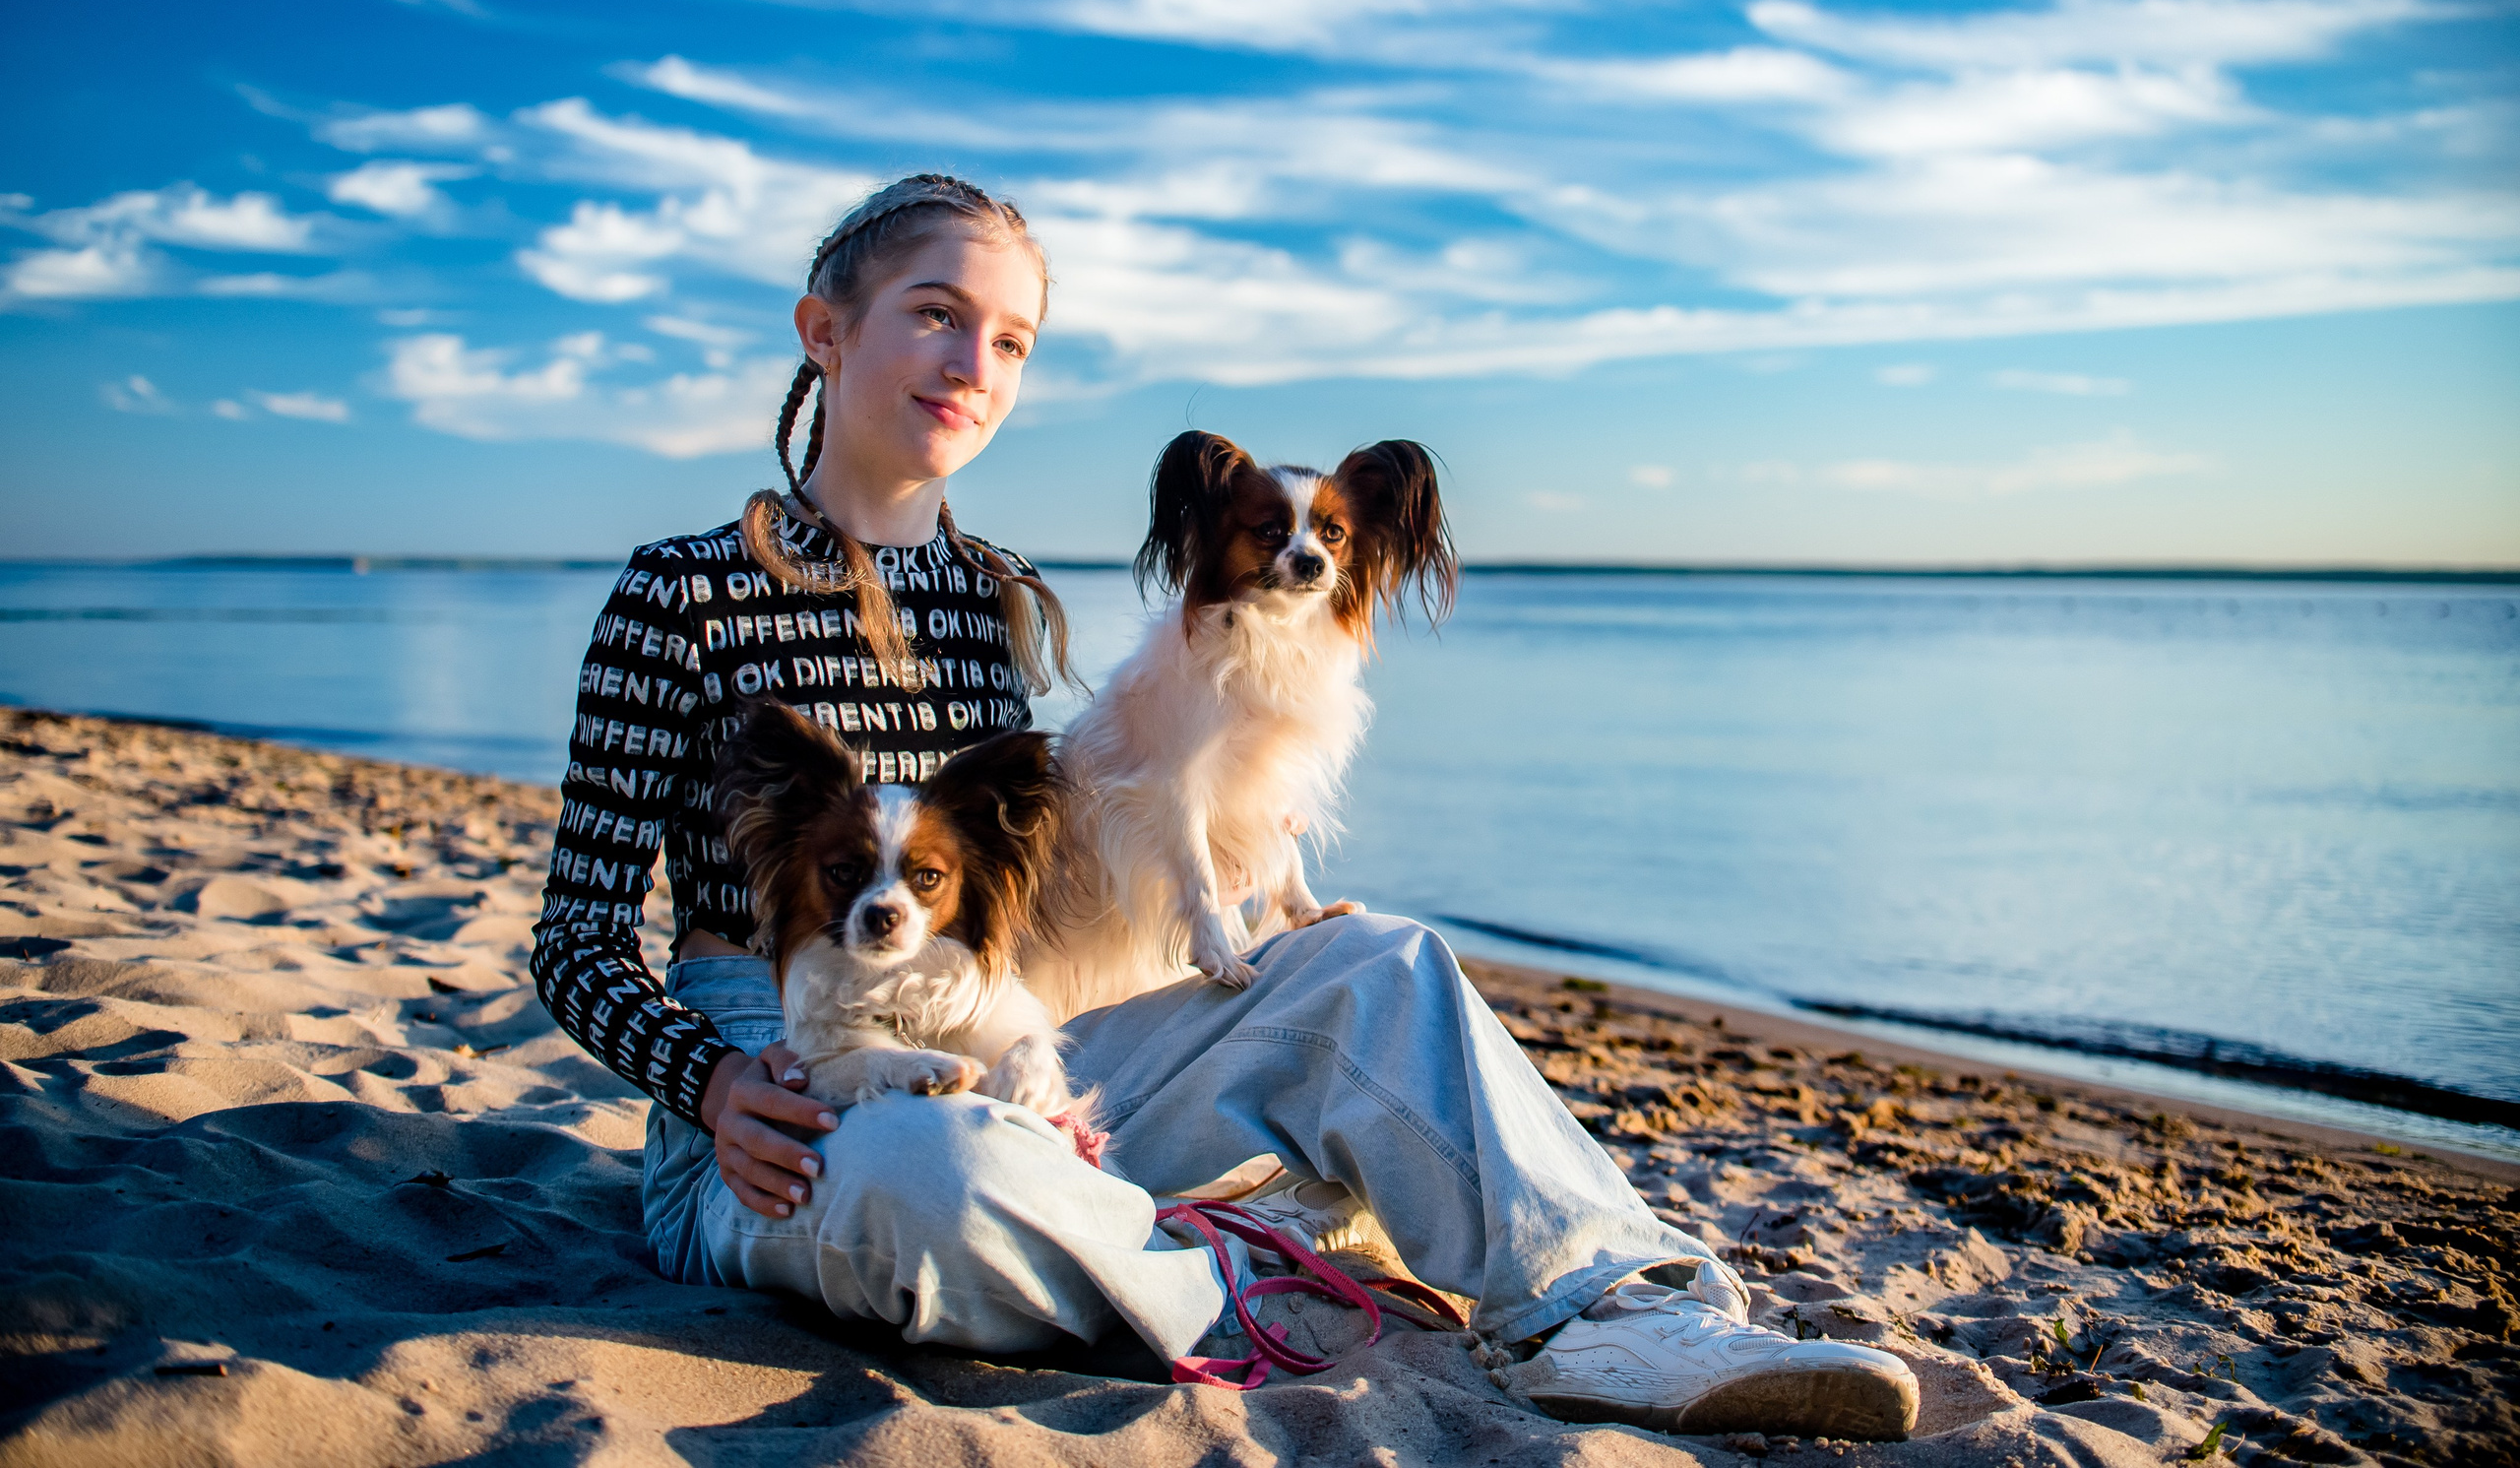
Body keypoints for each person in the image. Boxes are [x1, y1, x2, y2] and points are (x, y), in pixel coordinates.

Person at [531, 173, 1920, 1437]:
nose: (973, 366)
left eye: (1011, 341)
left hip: (1020, 1039)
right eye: (938, 315)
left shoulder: (991, 598)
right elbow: (575, 939)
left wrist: (1249, 855)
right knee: (936, 1177)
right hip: (788, 1097)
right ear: (825, 332)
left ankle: (1604, 1310)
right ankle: (1248, 1272)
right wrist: (713, 1085)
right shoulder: (679, 592)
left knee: (1378, 964)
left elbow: (1054, 868)